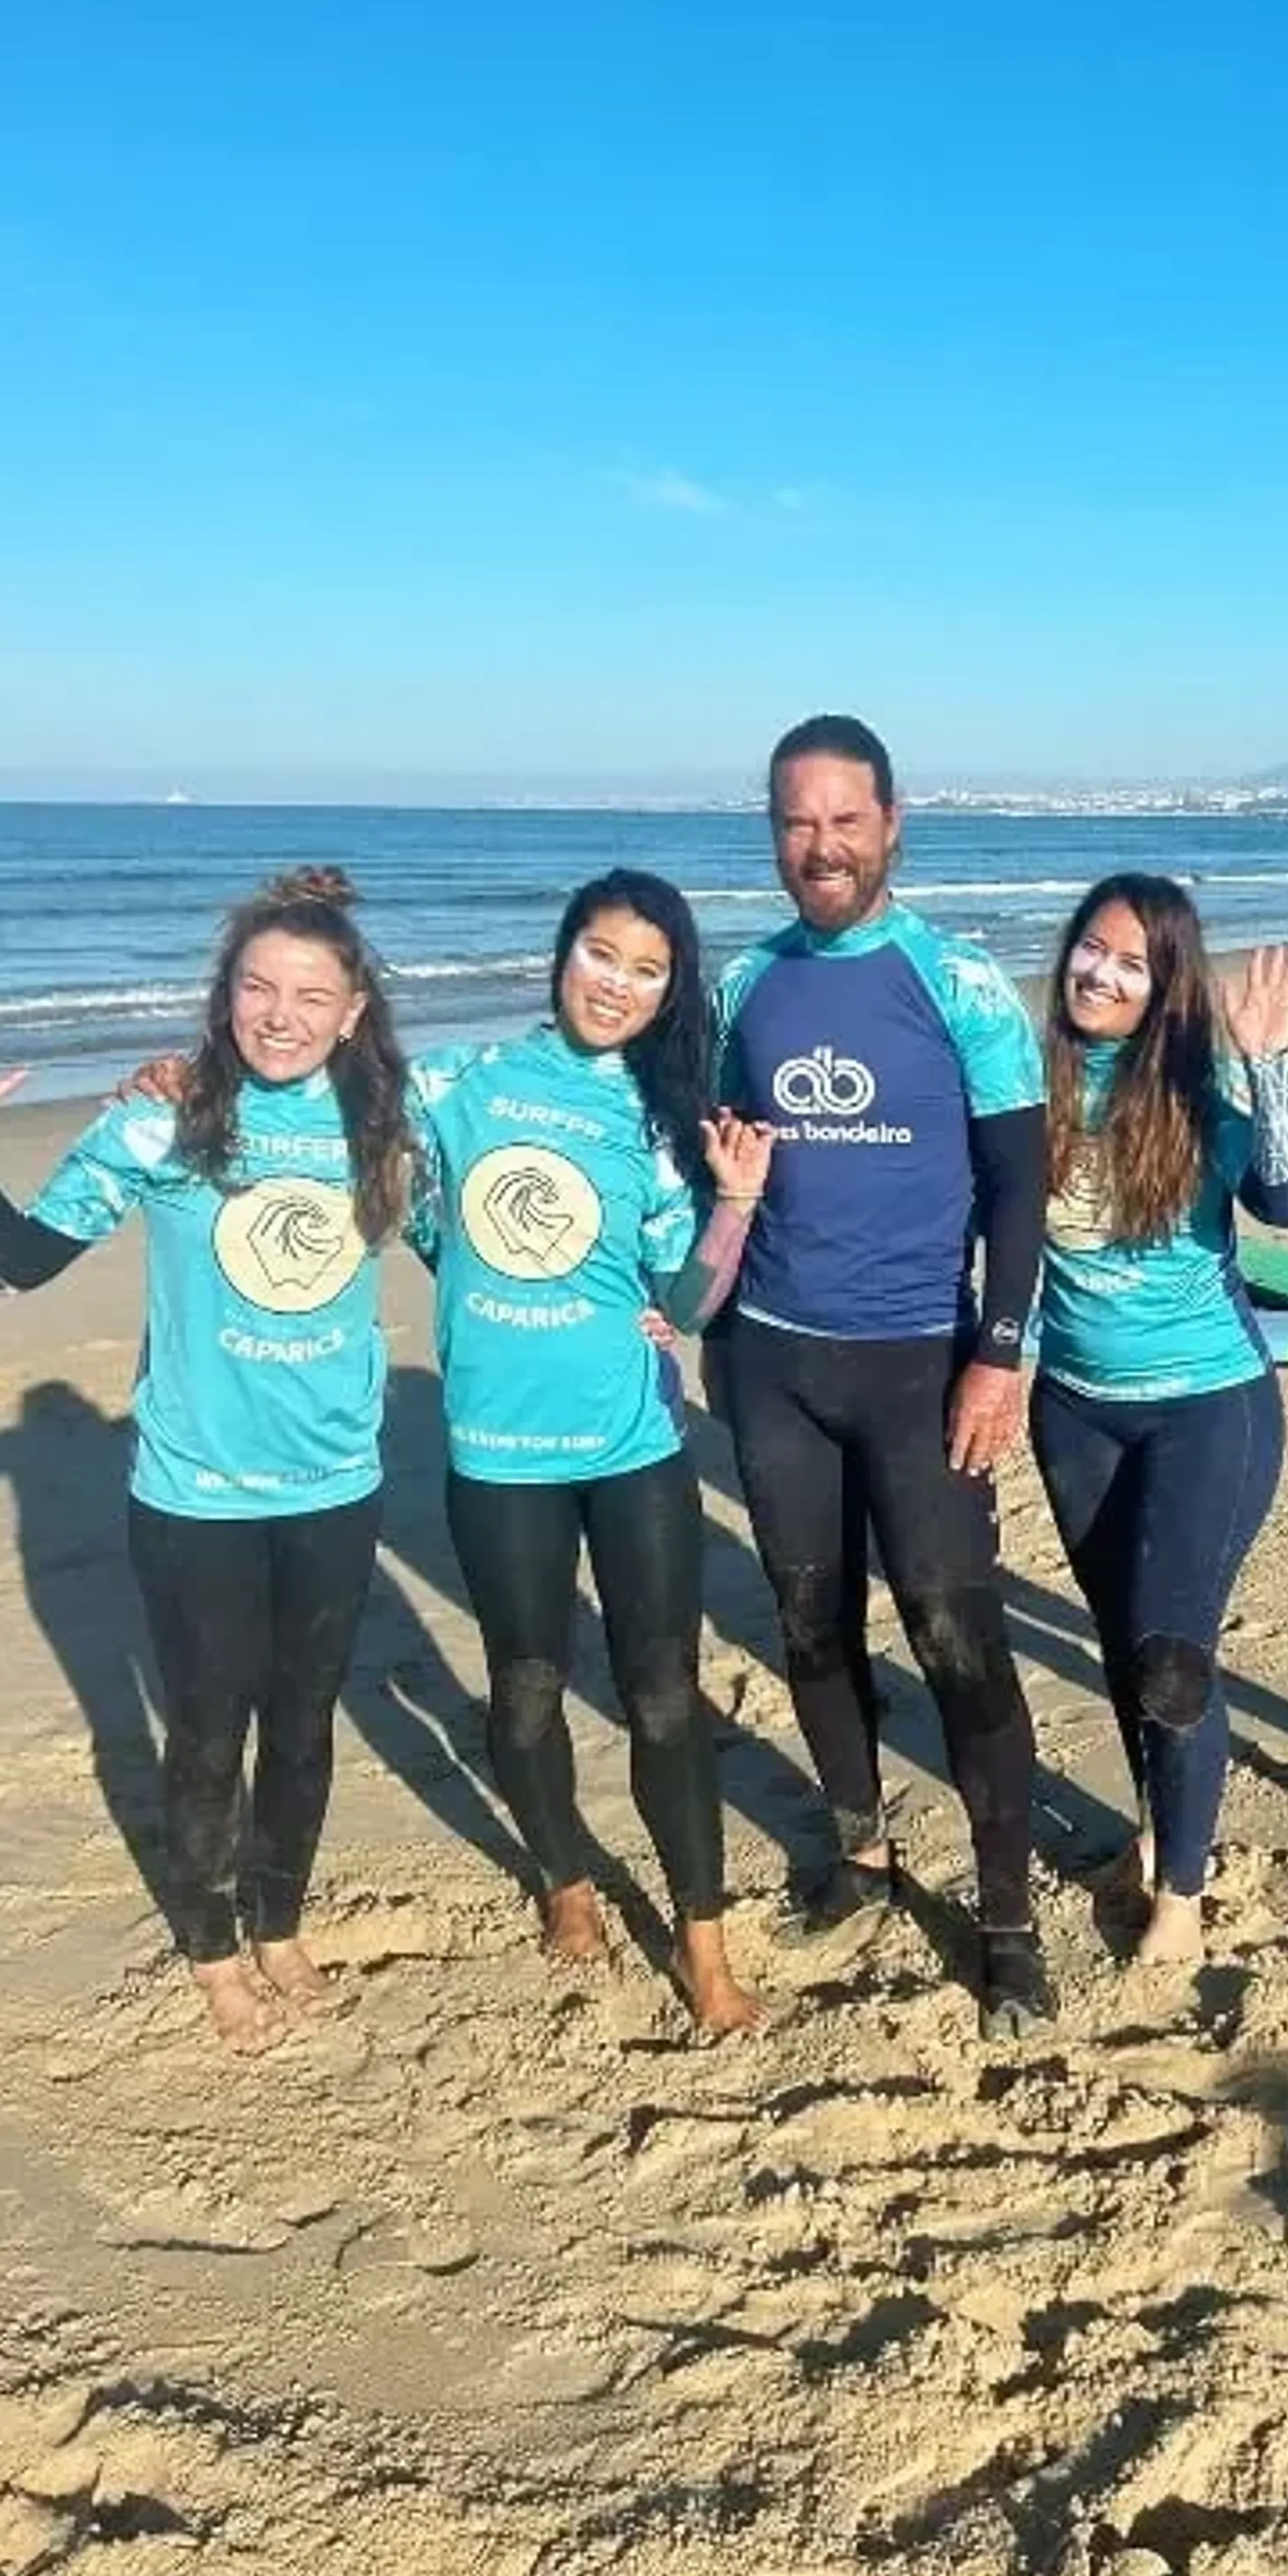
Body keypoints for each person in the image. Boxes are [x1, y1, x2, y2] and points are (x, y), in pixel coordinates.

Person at [0, 868, 415, 2053]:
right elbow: (21, 1261)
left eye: (310, 993)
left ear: (354, 1011)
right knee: (206, 1729)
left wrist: (647, 1306)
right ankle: (210, 1949)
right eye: (258, 988)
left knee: (303, 1725)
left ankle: (280, 1923)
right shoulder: (163, 1119)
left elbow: (499, 1242)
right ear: (225, 996)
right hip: (196, 1494)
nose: (281, 1014)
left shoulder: (389, 1127)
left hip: (337, 1489)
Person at [710, 714, 1055, 2038]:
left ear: (894, 822)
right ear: (773, 832)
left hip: (923, 1361)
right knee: (809, 1626)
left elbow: (1020, 1186)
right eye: (799, 821)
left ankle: (1008, 1915)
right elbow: (706, 1156)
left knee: (958, 1637)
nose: (823, 844)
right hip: (776, 1360)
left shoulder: (956, 980)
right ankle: (860, 1852)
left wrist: (999, 1354)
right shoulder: (745, 983)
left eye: (846, 818)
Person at [407, 870, 772, 2035]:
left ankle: (702, 1948)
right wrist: (176, 1081)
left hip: (632, 1443)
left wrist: (738, 1202)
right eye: (600, 955)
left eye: (647, 969)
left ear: (672, 994)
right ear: (561, 954)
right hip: (497, 1448)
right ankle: (566, 1880)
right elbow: (356, 1152)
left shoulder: (663, 1124)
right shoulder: (457, 1084)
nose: (617, 983)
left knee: (664, 1697)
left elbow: (691, 1302)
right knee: (525, 1687)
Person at [1031, 879, 1288, 1963]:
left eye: (1131, 963)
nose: (1100, 975)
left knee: (1172, 1655)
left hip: (1209, 1407)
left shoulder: (1205, 1086)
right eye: (1089, 952)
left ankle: (1184, 1902)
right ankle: (1155, 1837)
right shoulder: (1038, 1080)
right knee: (1122, 1647)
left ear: (1167, 987)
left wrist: (1273, 1064)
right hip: (1075, 1411)